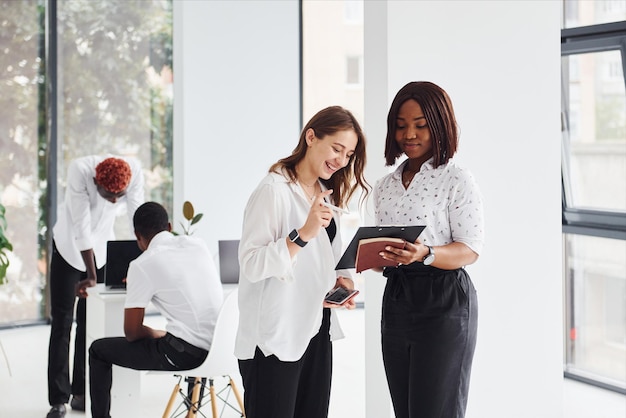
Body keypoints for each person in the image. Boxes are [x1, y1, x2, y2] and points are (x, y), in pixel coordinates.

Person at [236, 106, 369, 418]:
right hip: (275, 336)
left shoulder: (327, 193)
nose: (341, 160)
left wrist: (343, 280)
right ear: (311, 137)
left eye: (348, 154)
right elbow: (252, 263)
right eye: (337, 148)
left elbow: (332, 257)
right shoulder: (272, 190)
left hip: (316, 328)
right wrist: (302, 234)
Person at [373, 81, 485, 418]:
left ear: (439, 124)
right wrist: (376, 257)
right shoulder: (384, 186)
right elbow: (388, 252)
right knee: (405, 410)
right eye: (401, 125)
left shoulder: (456, 179)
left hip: (444, 302)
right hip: (397, 298)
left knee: (437, 411)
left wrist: (425, 253)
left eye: (420, 125)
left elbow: (470, 249)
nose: (410, 134)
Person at [88, 201, 224, 418]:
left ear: (137, 235)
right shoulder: (197, 244)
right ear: (169, 227)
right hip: (222, 349)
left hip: (188, 356)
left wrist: (156, 332)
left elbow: (132, 333)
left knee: (97, 350)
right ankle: (193, 410)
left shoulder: (142, 265)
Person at [47, 155, 145, 418]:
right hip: (68, 249)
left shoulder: (133, 171)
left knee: (89, 323)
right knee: (62, 321)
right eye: (108, 196)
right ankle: (58, 399)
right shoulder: (79, 171)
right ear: (95, 182)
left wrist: (143, 263)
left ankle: (80, 392)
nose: (115, 201)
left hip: (100, 250)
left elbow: (139, 217)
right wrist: (90, 276)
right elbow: (81, 227)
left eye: (118, 196)